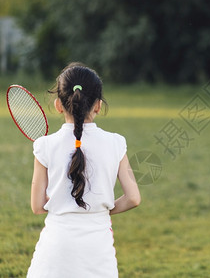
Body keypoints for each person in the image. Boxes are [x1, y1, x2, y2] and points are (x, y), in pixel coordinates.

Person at [27, 63, 141, 278]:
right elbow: (133, 198)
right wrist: (100, 210)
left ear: (59, 105)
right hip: (98, 251)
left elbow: (37, 206)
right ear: (98, 105)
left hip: (55, 251)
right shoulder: (116, 143)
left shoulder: (44, 146)